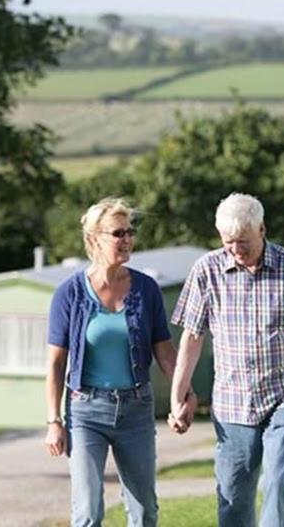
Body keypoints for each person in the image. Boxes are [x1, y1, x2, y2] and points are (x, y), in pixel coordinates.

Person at [168, 192, 284, 527]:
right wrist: (177, 397)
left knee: (278, 480)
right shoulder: (207, 270)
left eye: (243, 242)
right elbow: (192, 337)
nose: (236, 250)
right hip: (233, 399)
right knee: (233, 495)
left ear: (262, 229)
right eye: (229, 242)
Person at [44, 197, 195, 527]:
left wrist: (184, 392)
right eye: (117, 233)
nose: (127, 239)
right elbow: (56, 364)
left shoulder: (146, 289)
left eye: (130, 231)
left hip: (136, 409)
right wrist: (54, 421)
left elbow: (165, 350)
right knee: (87, 510)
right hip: (86, 411)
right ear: (93, 239)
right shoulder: (69, 294)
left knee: (144, 511)